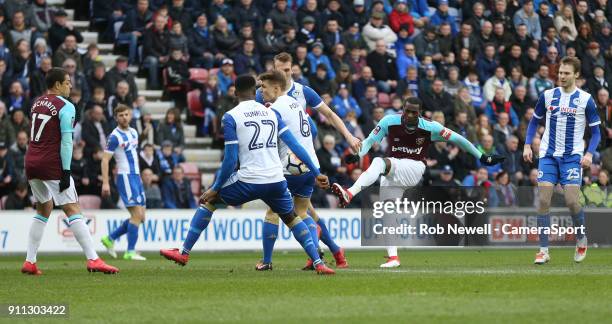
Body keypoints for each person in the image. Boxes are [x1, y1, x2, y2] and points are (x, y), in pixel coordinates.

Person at [159, 74, 336, 275]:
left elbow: (230, 159)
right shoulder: (271, 113)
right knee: (292, 218)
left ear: (235, 92)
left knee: (209, 202)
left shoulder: (231, 116)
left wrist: (215, 188)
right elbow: (295, 145)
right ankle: (318, 263)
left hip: (249, 180)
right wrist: (316, 172)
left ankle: (183, 252)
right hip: (277, 180)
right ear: (256, 92)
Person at [330, 97, 504, 268]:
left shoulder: (430, 127)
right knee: (388, 213)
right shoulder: (389, 121)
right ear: (403, 110)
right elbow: (369, 141)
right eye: (407, 111)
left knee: (378, 163)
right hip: (394, 172)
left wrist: (482, 156)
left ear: (420, 113)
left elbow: (458, 139)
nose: (410, 115)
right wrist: (358, 155)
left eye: (414, 112)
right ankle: (393, 258)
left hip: (414, 168)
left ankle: (349, 193)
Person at [255, 53, 356, 270]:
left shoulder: (301, 92)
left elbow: (323, 118)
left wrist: (348, 136)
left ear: (293, 70)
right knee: (306, 211)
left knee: (278, 210)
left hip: (291, 161)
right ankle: (335, 251)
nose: (283, 74)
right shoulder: (264, 93)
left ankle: (269, 260)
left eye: (287, 70)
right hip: (306, 161)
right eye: (279, 70)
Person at [22, 68, 118, 275]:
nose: (70, 85)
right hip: (51, 163)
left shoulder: (37, 102)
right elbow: (67, 142)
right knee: (73, 208)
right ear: (57, 85)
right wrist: (66, 171)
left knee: (44, 208)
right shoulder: (66, 106)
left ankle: (30, 261)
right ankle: (93, 259)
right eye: (67, 82)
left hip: (31, 161)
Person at [523, 57, 601, 265]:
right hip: (548, 155)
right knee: (543, 200)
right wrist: (527, 144)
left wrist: (589, 154)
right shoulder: (548, 95)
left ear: (576, 75)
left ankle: (581, 238)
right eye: (560, 73)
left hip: (572, 157)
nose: (561, 76)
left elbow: (596, 134)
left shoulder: (586, 99)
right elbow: (533, 122)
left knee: (571, 202)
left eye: (566, 73)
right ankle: (543, 250)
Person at [99, 104, 147, 261]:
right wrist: (106, 182)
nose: (124, 117)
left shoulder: (134, 132)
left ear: (131, 115)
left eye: (126, 114)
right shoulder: (114, 137)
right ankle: (130, 252)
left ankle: (110, 238)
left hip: (136, 177)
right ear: (116, 118)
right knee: (137, 215)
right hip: (125, 177)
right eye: (121, 115)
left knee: (141, 217)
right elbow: (105, 160)